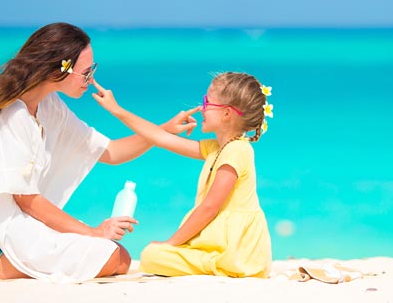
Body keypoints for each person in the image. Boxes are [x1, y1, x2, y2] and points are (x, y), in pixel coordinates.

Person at [0, 22, 196, 282]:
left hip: (17, 233)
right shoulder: (9, 115)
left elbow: (111, 152)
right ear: (57, 70)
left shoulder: (49, 106)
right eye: (86, 72)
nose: (91, 79)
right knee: (113, 257)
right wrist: (93, 232)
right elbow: (26, 200)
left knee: (119, 257)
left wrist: (164, 130)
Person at [92, 71, 273, 277]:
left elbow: (209, 207)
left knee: (153, 255)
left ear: (226, 114)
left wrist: (170, 243)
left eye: (207, 102)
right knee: (154, 255)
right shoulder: (216, 148)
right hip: (220, 246)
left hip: (237, 252)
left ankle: (223, 267)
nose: (201, 108)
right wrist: (117, 111)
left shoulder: (237, 150)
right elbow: (160, 138)